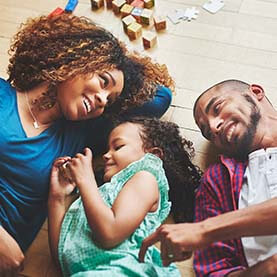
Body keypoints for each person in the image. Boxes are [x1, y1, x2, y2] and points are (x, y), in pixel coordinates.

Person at [0, 13, 175, 275]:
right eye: (103, 81)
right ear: (75, 59)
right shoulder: (3, 96)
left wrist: (120, 65)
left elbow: (161, 98)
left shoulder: (77, 135)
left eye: (110, 100)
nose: (103, 100)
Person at [139, 80, 277, 276]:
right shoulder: (218, 180)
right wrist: (270, 268)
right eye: (206, 132)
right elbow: (215, 270)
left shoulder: (209, 228)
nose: (214, 127)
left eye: (218, 107)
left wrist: (206, 230)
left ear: (255, 92)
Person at [48, 116, 202, 276]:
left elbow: (109, 233)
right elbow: (62, 256)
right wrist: (56, 197)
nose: (106, 155)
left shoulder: (146, 177)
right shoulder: (97, 198)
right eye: (108, 149)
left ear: (153, 155)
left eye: (118, 146)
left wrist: (86, 180)